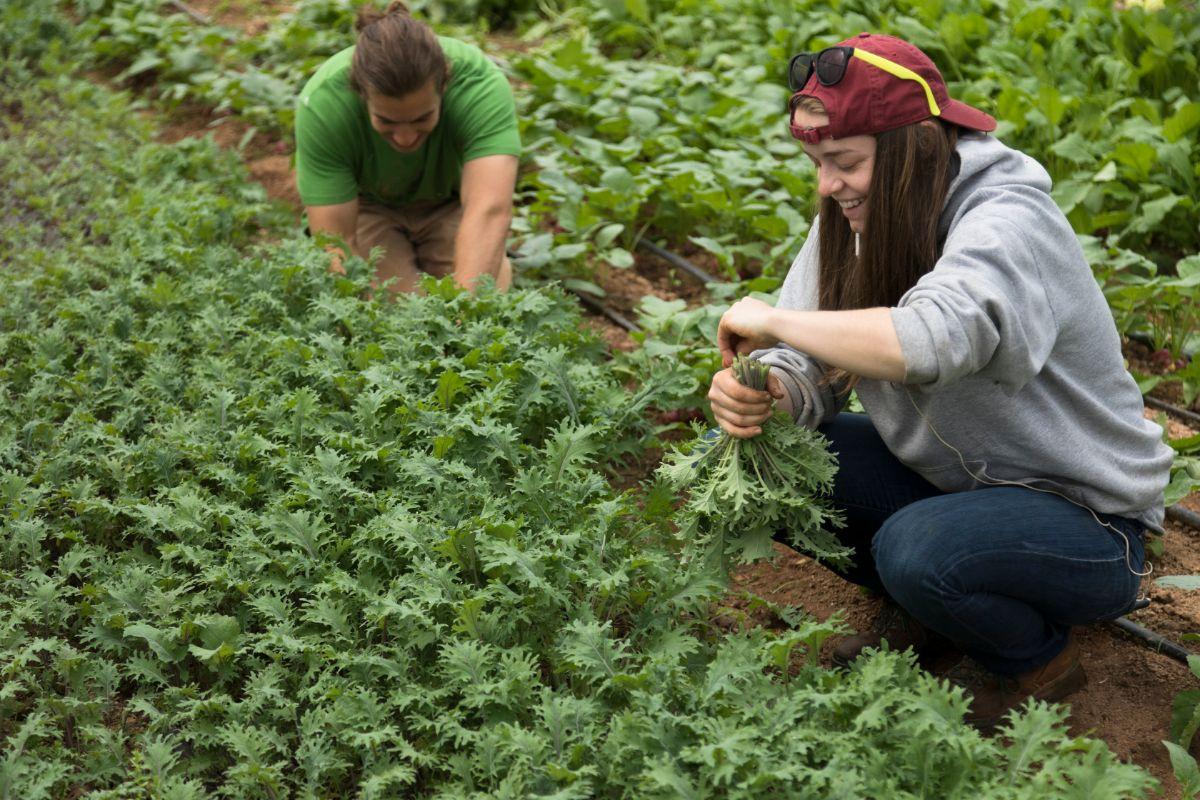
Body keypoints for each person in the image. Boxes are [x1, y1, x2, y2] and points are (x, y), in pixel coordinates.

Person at [708, 32, 1174, 730]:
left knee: (919, 551)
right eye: (816, 163)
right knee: (776, 466)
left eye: (842, 163)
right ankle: (937, 614)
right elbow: (805, 355)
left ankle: (1034, 661)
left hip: (1086, 521)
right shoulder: (861, 214)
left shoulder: (1008, 221)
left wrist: (777, 322)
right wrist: (770, 393)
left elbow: (932, 338)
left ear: (914, 151)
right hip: (956, 486)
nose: (826, 185)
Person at [294, 1, 520, 294]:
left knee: (487, 291)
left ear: (443, 86)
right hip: (367, 207)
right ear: (361, 95)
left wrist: (463, 316)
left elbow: (488, 209)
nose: (405, 137)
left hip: (447, 204)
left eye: (422, 118)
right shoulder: (325, 104)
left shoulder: (480, 86)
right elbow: (337, 242)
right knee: (397, 310)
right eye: (386, 121)